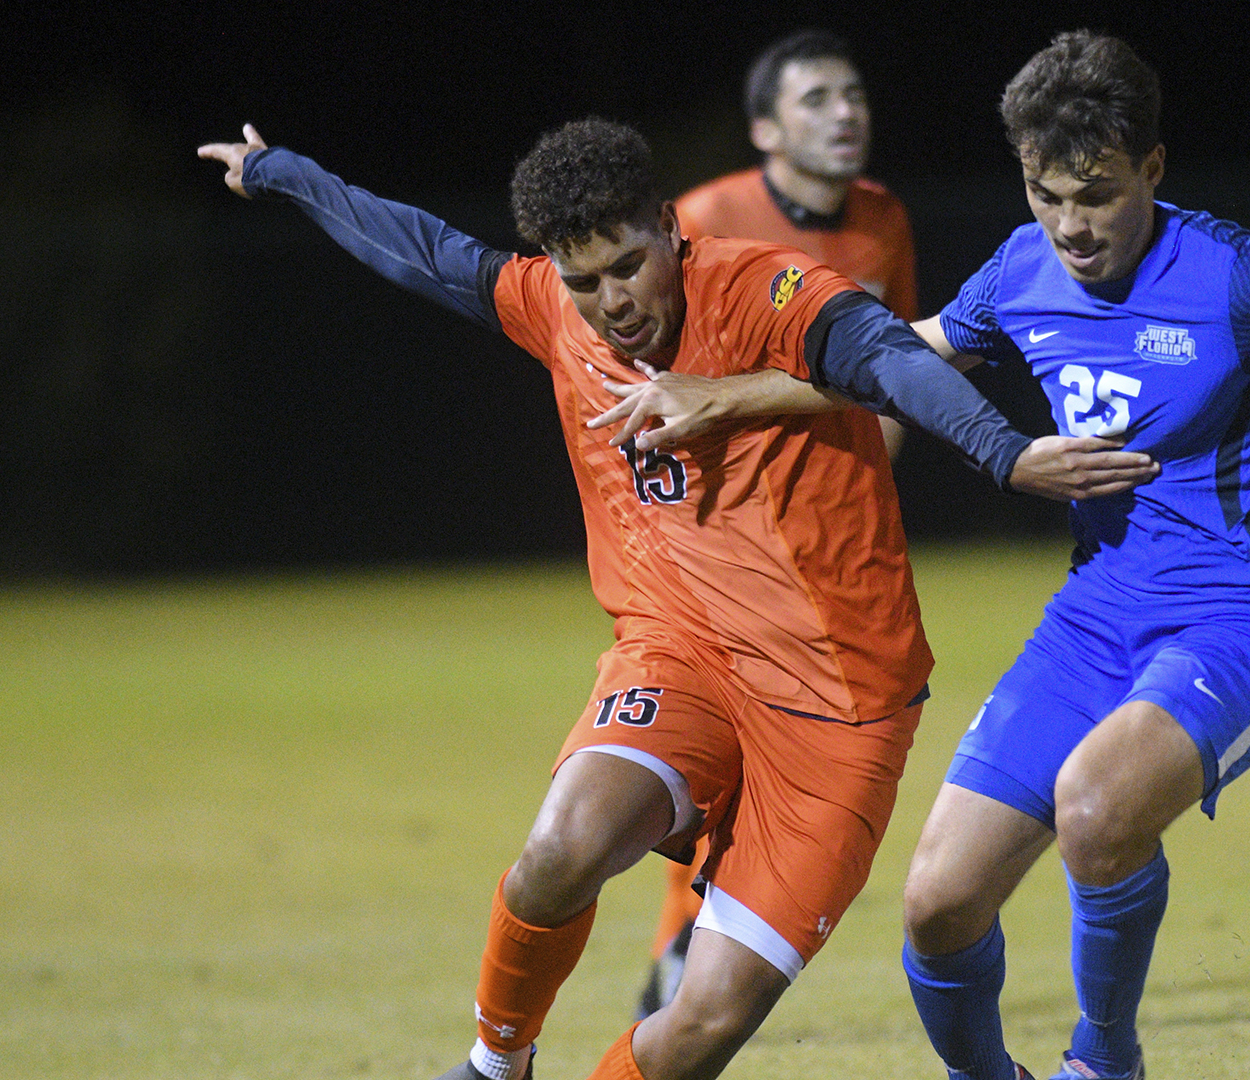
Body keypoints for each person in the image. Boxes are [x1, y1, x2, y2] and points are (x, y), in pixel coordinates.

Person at [603, 29, 1250, 1080]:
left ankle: (1104, 1062)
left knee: (1096, 809)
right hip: (1097, 617)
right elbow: (897, 358)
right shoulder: (1020, 269)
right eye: (1044, 194)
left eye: (1095, 194)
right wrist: (724, 398)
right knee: (938, 903)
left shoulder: (1241, 276)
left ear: (1151, 168)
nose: (1070, 226)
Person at [197, 117, 1155, 1080]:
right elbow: (425, 252)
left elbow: (888, 355)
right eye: (584, 281)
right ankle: (496, 1067)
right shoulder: (552, 307)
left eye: (628, 266)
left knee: (701, 1027)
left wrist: (1005, 452)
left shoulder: (761, 288)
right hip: (682, 655)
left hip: (841, 710)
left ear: (667, 227)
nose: (612, 302)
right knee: (560, 848)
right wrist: (282, 173)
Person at [637, 28, 921, 1016]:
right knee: (722, 749)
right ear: (765, 128)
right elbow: (645, 373)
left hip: (834, 549)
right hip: (722, 542)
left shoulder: (883, 220)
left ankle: (694, 945)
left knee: (788, 748)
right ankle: (685, 943)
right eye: (816, 99)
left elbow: (895, 368)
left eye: (855, 95)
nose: (846, 113)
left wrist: (868, 483)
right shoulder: (705, 218)